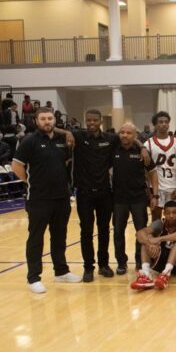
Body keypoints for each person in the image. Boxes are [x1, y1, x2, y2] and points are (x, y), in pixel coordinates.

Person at [12, 107, 80, 294]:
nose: (47, 122)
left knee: (59, 236)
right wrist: (30, 182)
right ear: (36, 121)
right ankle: (33, 277)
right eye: (43, 119)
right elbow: (16, 166)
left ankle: (61, 271)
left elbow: (66, 164)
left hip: (61, 198)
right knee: (36, 238)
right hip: (38, 199)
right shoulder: (29, 141)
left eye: (50, 118)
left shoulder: (62, 140)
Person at [60, 109, 123, 281]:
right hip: (84, 194)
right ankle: (88, 267)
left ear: (101, 121)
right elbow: (53, 129)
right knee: (86, 231)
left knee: (104, 231)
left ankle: (104, 265)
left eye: (95, 120)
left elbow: (129, 137)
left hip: (105, 193)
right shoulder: (79, 137)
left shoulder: (110, 139)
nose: (91, 123)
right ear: (85, 121)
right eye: (88, 120)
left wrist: (143, 149)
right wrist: (67, 132)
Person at [112, 123, 155, 275]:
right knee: (118, 232)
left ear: (135, 135)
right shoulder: (113, 148)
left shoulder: (142, 151)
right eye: (122, 132)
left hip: (138, 198)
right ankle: (121, 262)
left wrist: (154, 194)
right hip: (118, 199)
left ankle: (139, 261)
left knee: (141, 232)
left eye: (129, 133)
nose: (125, 135)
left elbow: (152, 173)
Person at [130, 201, 176, 291]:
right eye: (168, 213)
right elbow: (139, 233)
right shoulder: (159, 223)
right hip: (162, 263)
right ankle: (146, 275)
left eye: (174, 213)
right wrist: (149, 244)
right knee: (145, 242)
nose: (171, 215)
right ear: (164, 214)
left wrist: (159, 239)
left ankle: (166, 273)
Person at [145, 111, 176, 222]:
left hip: (173, 186)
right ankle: (157, 240)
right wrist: (149, 192)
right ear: (155, 125)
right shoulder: (149, 144)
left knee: (173, 219)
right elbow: (146, 171)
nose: (164, 124)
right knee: (156, 219)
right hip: (157, 188)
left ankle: (172, 239)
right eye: (160, 122)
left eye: (166, 122)